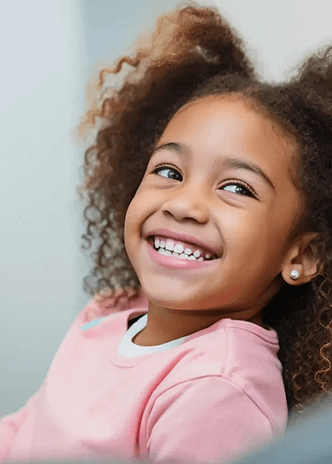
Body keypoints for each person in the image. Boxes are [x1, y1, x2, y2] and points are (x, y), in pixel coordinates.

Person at [1, 1, 332, 463]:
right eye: (170, 172)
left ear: (302, 256)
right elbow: (25, 432)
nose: (184, 204)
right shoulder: (109, 315)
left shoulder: (217, 389)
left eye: (236, 187)